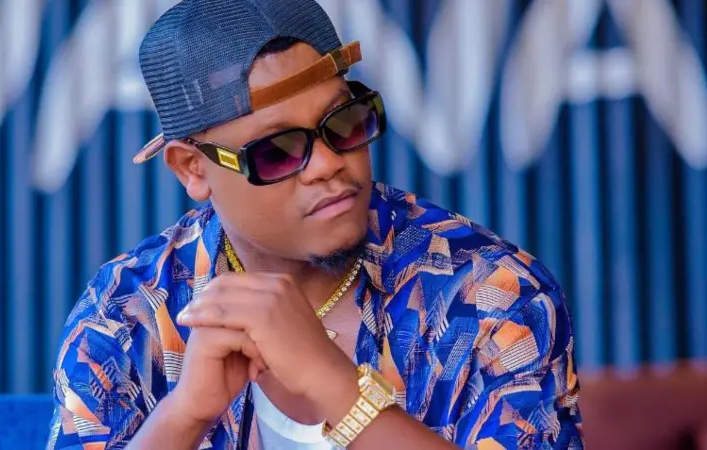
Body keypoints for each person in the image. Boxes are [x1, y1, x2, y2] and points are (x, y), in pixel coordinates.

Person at [46, 0, 583, 448]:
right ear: (193, 169)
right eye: (277, 151)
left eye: (344, 122)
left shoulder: (489, 294)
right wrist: (184, 414)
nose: (328, 164)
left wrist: (336, 388)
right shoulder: (127, 313)